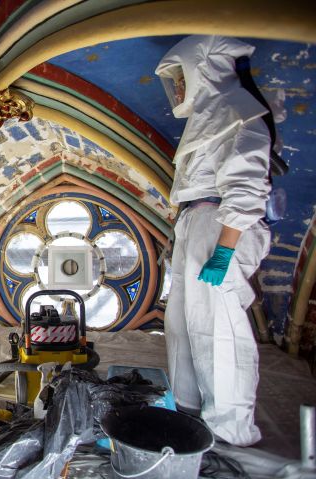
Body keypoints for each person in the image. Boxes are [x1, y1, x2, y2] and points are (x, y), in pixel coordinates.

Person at [156, 36, 273, 446]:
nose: (179, 88)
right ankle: (190, 410)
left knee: (218, 327)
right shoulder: (207, 121)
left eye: (181, 77)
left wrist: (224, 250)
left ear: (202, 69)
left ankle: (229, 428)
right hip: (197, 222)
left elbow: (246, 189)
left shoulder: (239, 115)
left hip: (220, 224)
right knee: (183, 323)